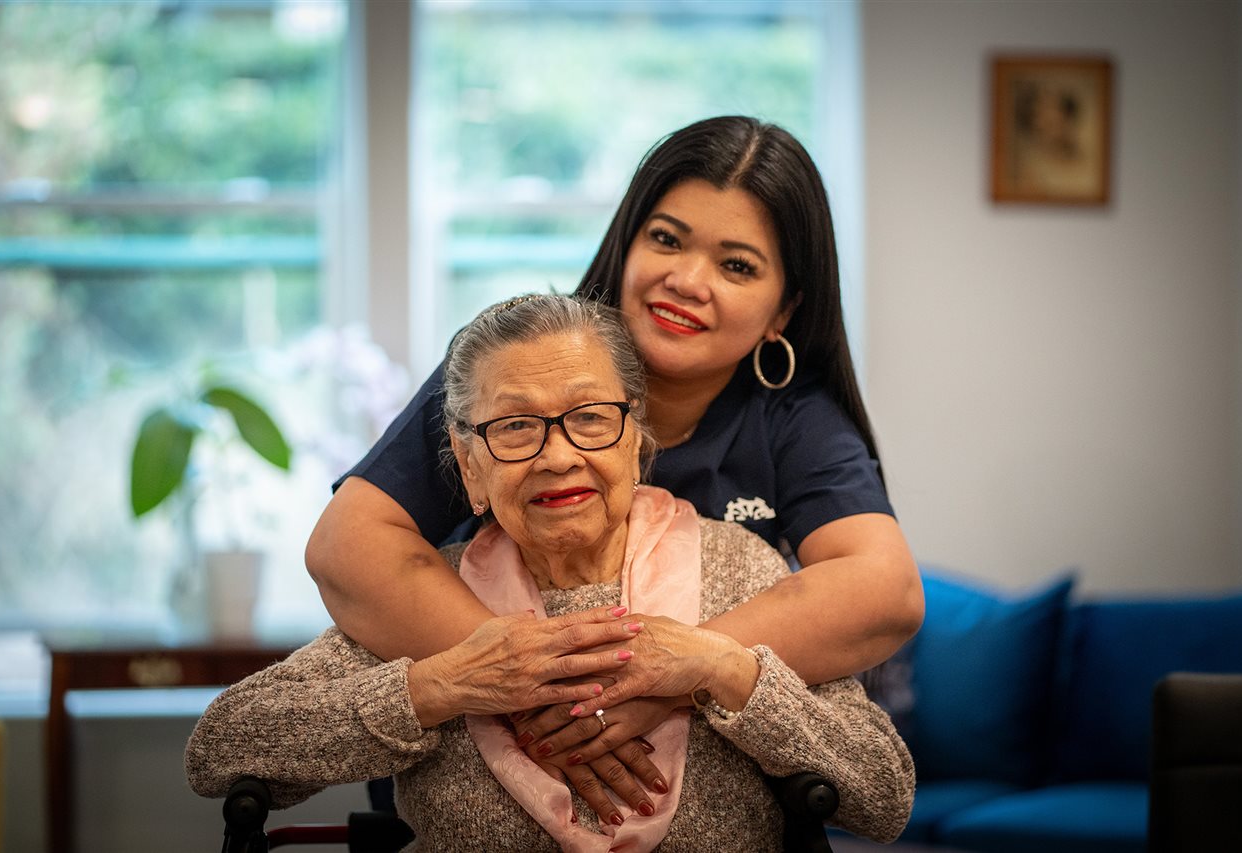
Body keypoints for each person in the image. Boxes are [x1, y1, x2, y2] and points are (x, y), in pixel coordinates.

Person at [305, 116, 923, 804]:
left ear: (784, 310)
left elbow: (886, 590)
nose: (688, 280)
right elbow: (345, 544)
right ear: (625, 243)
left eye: (737, 265)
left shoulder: (794, 416)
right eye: (666, 239)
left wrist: (672, 672)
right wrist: (528, 688)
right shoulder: (508, 364)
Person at [186, 295, 915, 850]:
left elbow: (884, 792)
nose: (558, 455)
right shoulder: (428, 602)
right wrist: (439, 686)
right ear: (469, 469)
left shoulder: (739, 569)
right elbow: (222, 746)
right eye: (514, 427)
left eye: (590, 417)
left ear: (636, 440)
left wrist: (725, 670)